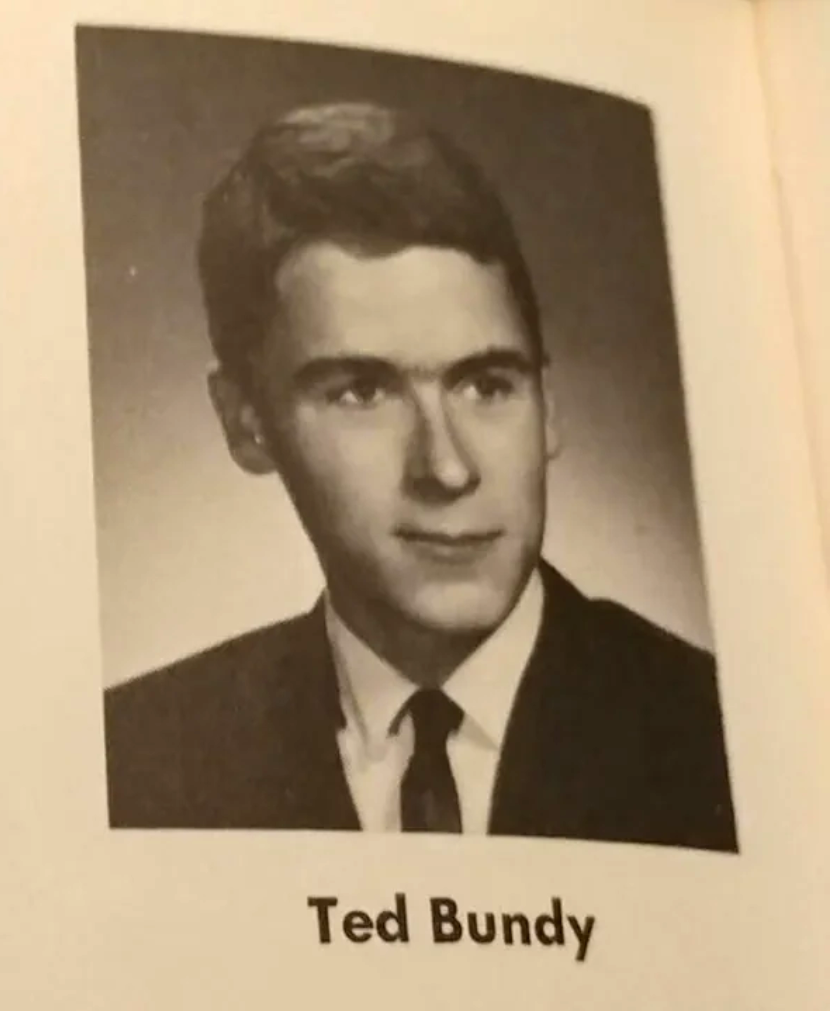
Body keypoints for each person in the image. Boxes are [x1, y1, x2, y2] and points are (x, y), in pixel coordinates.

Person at [104, 101, 737, 850]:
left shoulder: (724, 735)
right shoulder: (131, 759)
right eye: (362, 391)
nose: (447, 466)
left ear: (549, 403)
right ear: (246, 421)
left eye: (487, 384)